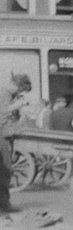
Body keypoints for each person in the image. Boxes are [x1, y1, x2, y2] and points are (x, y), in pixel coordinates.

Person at [1, 73, 32, 214]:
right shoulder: (4, 94)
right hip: (3, 136)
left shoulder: (8, 94)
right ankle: (4, 204)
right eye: (21, 90)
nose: (20, 93)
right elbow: (2, 112)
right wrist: (18, 105)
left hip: (5, 135)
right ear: (17, 85)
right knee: (5, 171)